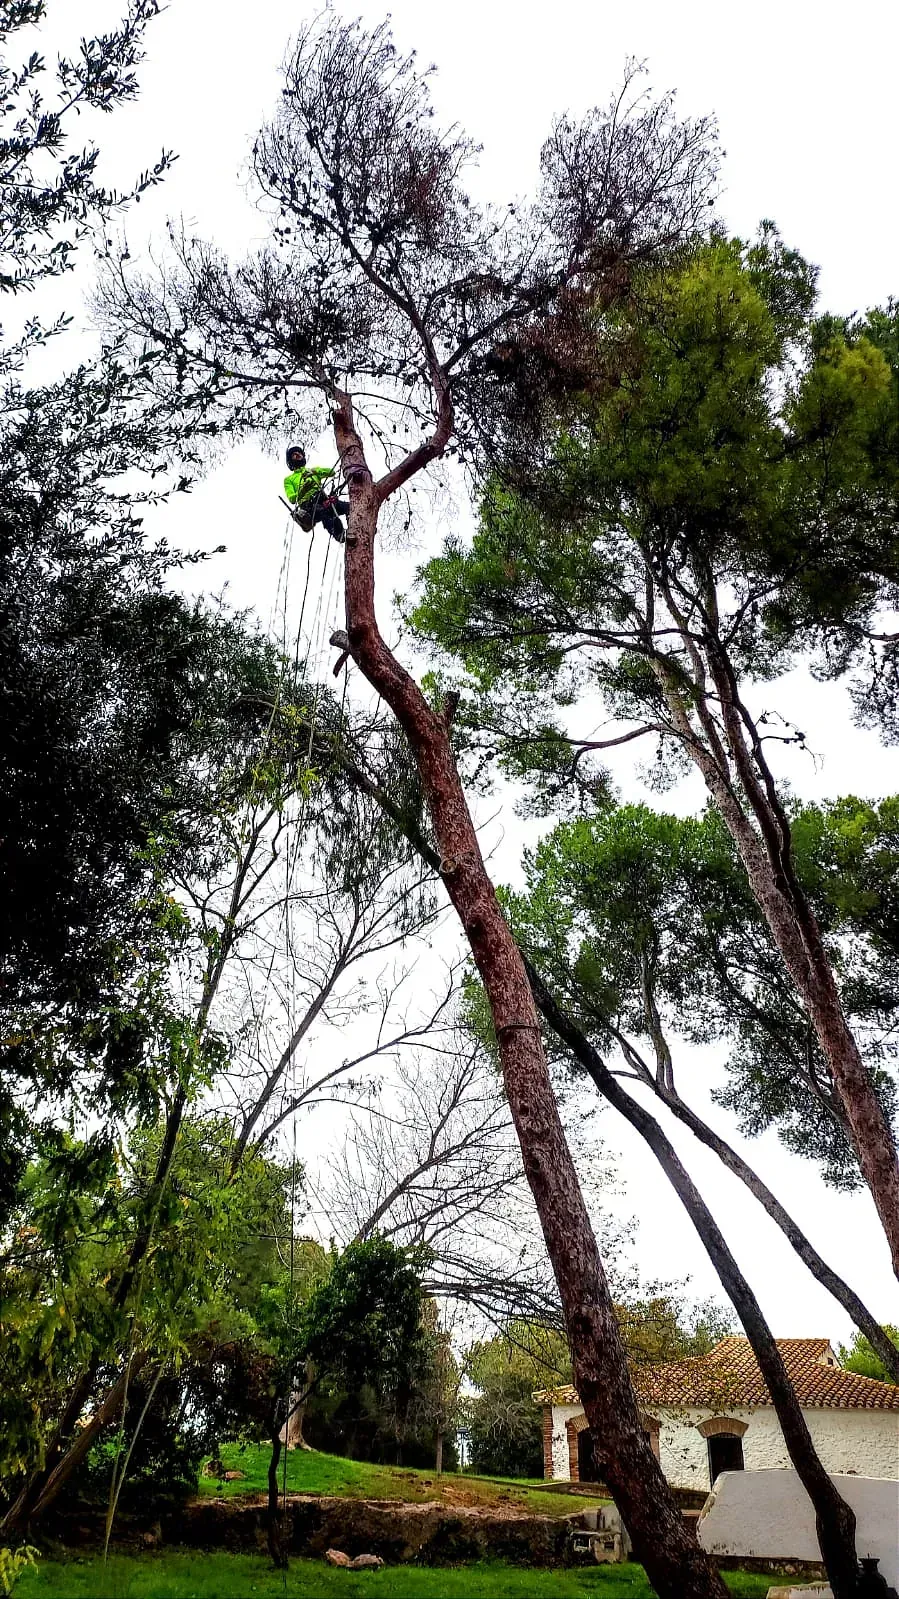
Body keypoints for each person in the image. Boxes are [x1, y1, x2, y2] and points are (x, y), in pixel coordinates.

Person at [283, 445, 349, 543]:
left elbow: (331, 473)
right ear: (290, 460)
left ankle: (359, 525)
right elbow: (292, 499)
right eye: (294, 455)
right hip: (309, 505)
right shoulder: (289, 480)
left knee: (348, 507)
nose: (297, 455)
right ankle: (339, 534)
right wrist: (302, 491)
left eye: (299, 453)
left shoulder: (312, 471)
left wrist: (314, 471)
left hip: (323, 498)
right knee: (324, 512)